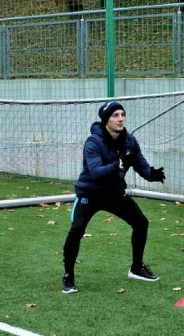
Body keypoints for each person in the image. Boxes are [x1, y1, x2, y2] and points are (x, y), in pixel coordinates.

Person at [61, 100, 166, 294]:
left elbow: (141, 165)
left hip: (114, 194)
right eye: (115, 115)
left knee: (141, 222)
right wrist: (118, 164)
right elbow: (96, 172)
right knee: (76, 230)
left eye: (122, 114)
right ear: (105, 120)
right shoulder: (93, 142)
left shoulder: (130, 140)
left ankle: (136, 268)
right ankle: (68, 276)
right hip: (90, 193)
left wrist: (153, 174)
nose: (120, 119)